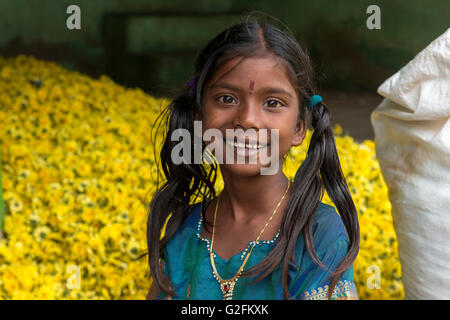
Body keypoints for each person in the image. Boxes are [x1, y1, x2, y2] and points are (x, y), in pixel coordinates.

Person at [146, 18, 360, 300]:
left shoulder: (317, 234)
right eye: (226, 98)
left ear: (299, 127)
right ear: (198, 115)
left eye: (272, 103)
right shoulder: (184, 228)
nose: (247, 120)